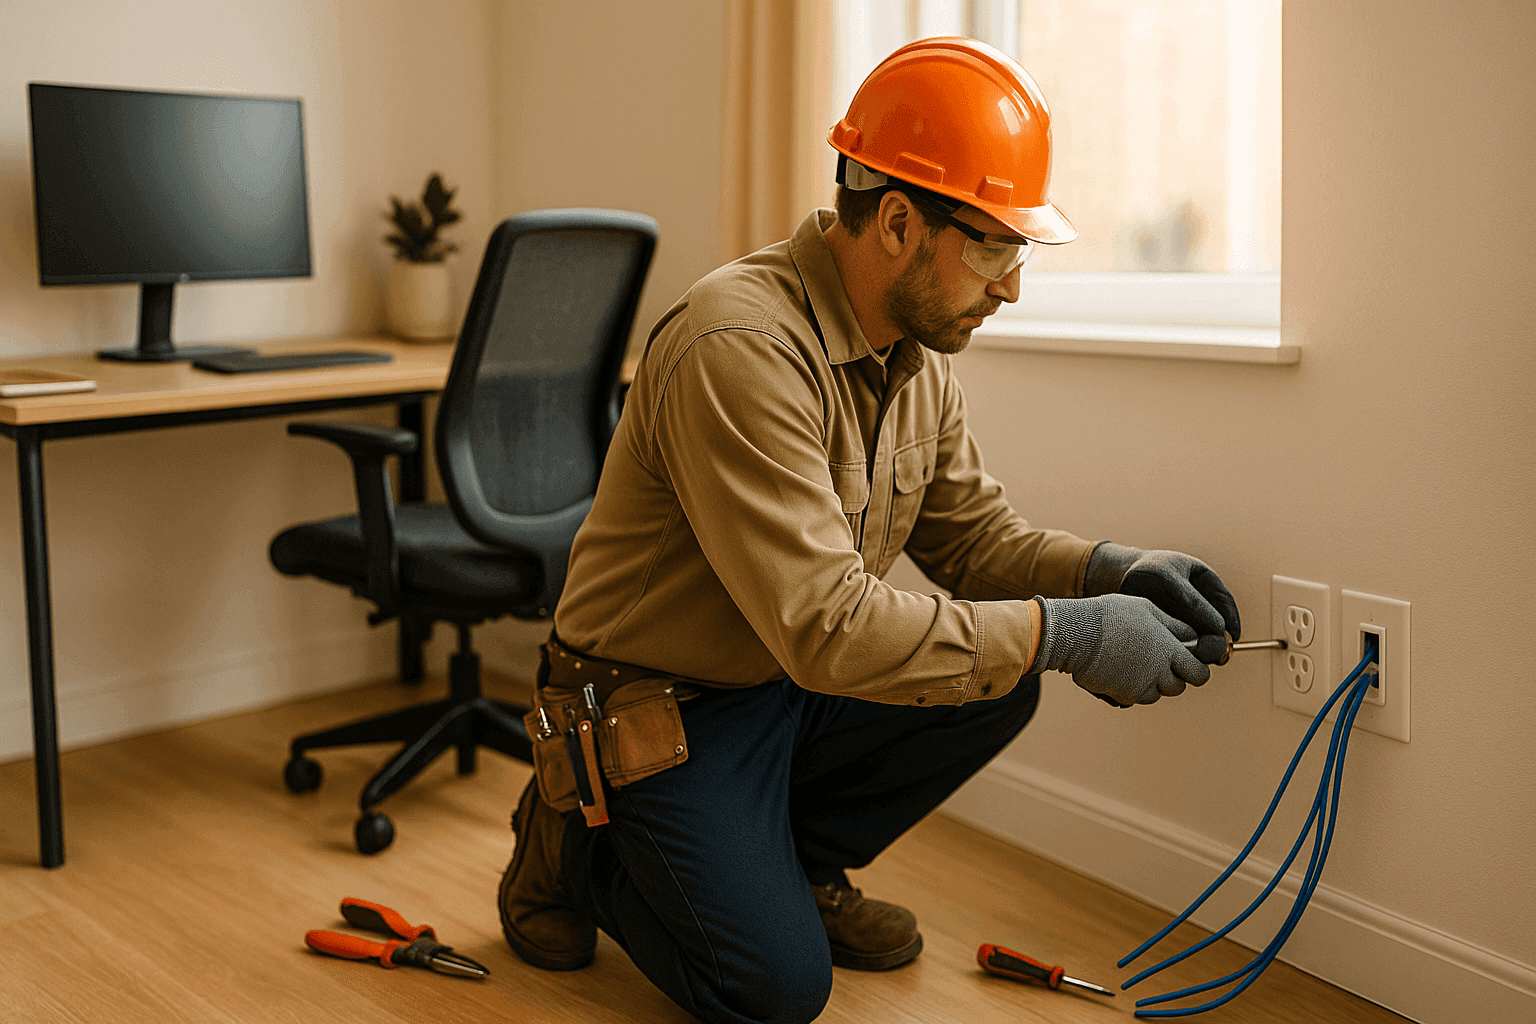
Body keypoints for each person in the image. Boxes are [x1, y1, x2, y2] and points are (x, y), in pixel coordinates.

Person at [497, 36, 1241, 1024]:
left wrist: (1111, 571)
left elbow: (976, 546)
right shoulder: (741, 347)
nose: (1012, 286)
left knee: (1000, 678)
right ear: (898, 220)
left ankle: (790, 862)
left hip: (780, 683)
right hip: (654, 708)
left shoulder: (916, 358)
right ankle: (578, 843)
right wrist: (1071, 632)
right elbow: (827, 625)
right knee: (774, 991)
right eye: (994, 247)